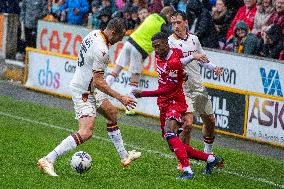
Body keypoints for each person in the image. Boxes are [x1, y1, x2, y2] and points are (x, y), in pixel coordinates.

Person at [38, 17, 141, 177]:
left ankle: (124, 156)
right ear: (113, 32)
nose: (120, 40)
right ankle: (48, 159)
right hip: (84, 91)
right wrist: (121, 97)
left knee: (112, 114)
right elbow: (99, 81)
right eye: (120, 37)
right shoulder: (102, 50)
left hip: (90, 88)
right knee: (86, 132)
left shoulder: (94, 34)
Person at [133, 32, 223, 180]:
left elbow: (168, 87)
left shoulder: (172, 61)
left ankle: (187, 171)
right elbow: (180, 62)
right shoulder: (162, 56)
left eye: (158, 46)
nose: (156, 50)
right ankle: (211, 159)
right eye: (154, 47)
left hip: (175, 101)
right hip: (164, 103)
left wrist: (142, 93)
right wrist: (184, 72)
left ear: (166, 44)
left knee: (170, 132)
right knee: (172, 143)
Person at [168, 11, 223, 157]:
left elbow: (202, 58)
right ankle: (183, 162)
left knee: (210, 121)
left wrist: (214, 67)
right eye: (173, 23)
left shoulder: (194, 39)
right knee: (188, 124)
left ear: (186, 22)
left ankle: (208, 154)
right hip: (182, 88)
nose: (175, 26)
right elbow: (174, 63)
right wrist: (193, 56)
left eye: (178, 22)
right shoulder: (170, 42)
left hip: (197, 86)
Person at [105, 6, 174, 115]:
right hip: (139, 48)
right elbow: (171, 35)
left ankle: (101, 90)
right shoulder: (163, 25)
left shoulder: (152, 16)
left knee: (117, 68)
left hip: (130, 41)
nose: (172, 21)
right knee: (135, 76)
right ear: (169, 15)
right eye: (172, 18)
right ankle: (130, 107)